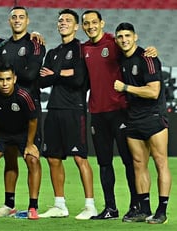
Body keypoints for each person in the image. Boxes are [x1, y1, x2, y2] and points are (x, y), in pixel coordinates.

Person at [81, 10, 157, 220]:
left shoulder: (114, 42)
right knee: (104, 163)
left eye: (94, 22)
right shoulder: (84, 48)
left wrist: (149, 51)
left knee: (129, 162)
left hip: (121, 112)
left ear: (102, 23)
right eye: (86, 23)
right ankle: (111, 209)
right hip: (97, 113)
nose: (90, 26)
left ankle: (136, 206)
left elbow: (133, 50)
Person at [38, 9, 97, 220]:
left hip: (74, 109)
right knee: (53, 158)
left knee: (80, 158)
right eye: (60, 20)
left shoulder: (81, 50)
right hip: (53, 109)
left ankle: (90, 205)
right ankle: (59, 205)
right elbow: (42, 80)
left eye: (68, 20)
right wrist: (62, 73)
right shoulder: (52, 52)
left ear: (76, 26)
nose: (63, 23)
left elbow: (79, 79)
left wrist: (55, 74)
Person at [113, 22, 171, 224]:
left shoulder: (147, 58)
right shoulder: (120, 58)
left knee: (160, 162)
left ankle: (162, 211)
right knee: (139, 165)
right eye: (120, 36)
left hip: (154, 116)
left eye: (127, 35)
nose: (124, 40)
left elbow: (153, 91)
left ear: (135, 37)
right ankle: (144, 210)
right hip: (133, 118)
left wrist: (126, 87)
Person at [0, 6, 45, 217]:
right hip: (5, 111)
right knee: (10, 158)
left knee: (31, 157)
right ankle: (9, 204)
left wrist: (10, 71)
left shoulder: (36, 43)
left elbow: (32, 75)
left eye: (21, 17)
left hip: (29, 109)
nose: (17, 20)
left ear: (28, 21)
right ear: (9, 21)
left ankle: (33, 206)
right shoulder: (1, 45)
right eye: (14, 17)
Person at [0, 64, 41, 220]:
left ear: (14, 79)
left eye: (8, 79)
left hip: (23, 133)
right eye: (1, 80)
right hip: (0, 133)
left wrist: (29, 144)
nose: (5, 83)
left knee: (33, 160)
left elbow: (33, 120)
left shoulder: (24, 95)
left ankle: (33, 207)